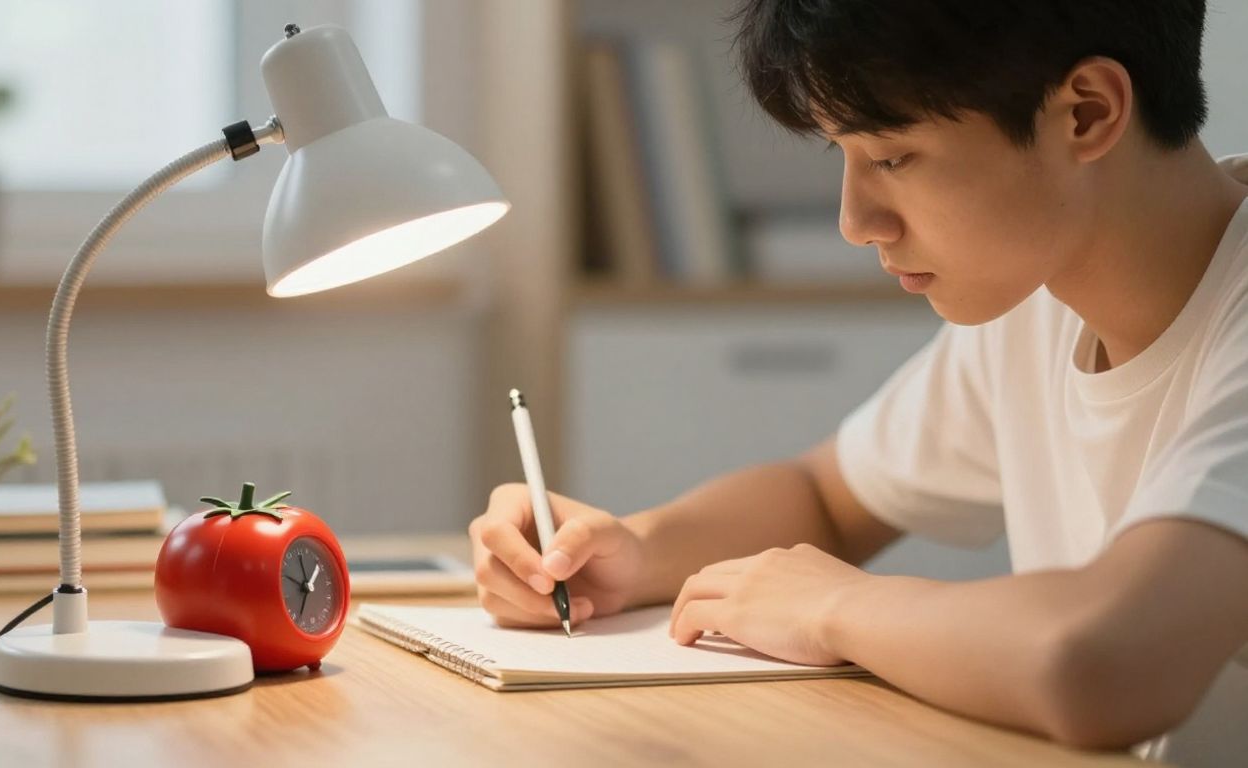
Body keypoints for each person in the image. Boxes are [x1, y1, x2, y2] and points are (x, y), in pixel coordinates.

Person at [468, 0, 1248, 759]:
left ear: (1086, 113)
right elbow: (825, 497)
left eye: (891, 157)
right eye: (842, 155)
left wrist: (836, 607)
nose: (855, 221)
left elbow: (1104, 663)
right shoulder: (1040, 301)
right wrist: (634, 551)